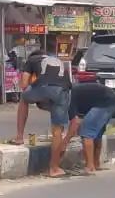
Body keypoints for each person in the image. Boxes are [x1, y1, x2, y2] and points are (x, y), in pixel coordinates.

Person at [12, 49, 72, 177]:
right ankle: (54, 169)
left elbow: (23, 84)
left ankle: (19, 137)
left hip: (44, 85)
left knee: (24, 99)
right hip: (63, 90)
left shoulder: (32, 60)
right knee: (57, 131)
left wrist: (32, 93)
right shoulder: (58, 61)